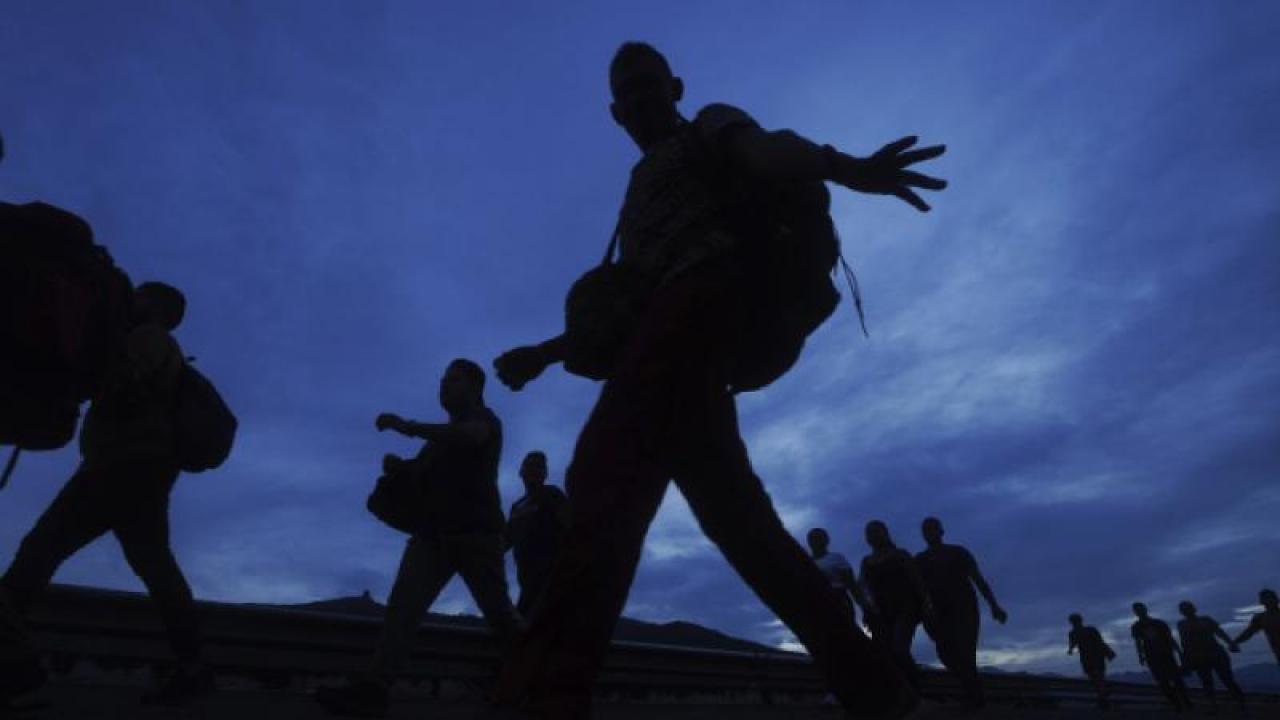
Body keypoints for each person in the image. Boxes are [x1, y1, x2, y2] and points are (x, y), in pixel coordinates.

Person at [488, 41, 947, 720]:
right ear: (614, 113)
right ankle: (880, 693)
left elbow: (766, 151)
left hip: (702, 309)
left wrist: (848, 168)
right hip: (672, 339)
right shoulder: (637, 192)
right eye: (627, 92)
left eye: (650, 84)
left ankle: (544, 693)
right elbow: (633, 303)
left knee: (601, 484)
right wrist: (549, 352)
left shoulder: (708, 125)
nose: (641, 99)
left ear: (676, 87)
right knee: (743, 526)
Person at [1, 282, 212, 705]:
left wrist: (80, 374)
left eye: (140, 295)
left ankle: (11, 663)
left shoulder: (146, 337)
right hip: (141, 470)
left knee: (39, 551)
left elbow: (125, 386)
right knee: (155, 567)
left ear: (157, 307)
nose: (131, 300)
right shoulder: (157, 345)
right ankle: (193, 668)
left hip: (117, 468)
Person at [316, 359, 523, 718]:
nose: (444, 386)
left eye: (453, 380)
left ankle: (545, 675)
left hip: (476, 537)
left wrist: (406, 426)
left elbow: (470, 437)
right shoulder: (437, 443)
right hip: (433, 536)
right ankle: (375, 689)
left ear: (475, 388)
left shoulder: (485, 420)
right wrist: (401, 468)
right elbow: (426, 474)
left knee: (500, 615)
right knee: (402, 610)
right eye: (442, 381)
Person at [914, 517, 1006, 708]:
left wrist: (994, 605)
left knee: (965, 653)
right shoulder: (920, 560)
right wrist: (923, 614)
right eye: (926, 530)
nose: (930, 532)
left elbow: (978, 579)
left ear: (941, 531)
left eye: (933, 528)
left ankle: (974, 698)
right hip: (938, 613)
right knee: (945, 653)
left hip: (965, 609)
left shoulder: (958, 552)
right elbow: (917, 590)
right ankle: (974, 691)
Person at [861, 521, 932, 691]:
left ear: (885, 533)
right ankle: (895, 689)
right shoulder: (867, 562)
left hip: (905, 609)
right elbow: (864, 587)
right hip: (880, 612)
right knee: (883, 651)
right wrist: (867, 610)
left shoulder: (901, 555)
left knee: (899, 649)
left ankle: (915, 689)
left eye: (877, 531)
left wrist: (926, 605)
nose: (873, 536)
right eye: (870, 533)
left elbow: (917, 581)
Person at [505, 451, 569, 616]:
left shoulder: (553, 495)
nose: (533, 471)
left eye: (539, 467)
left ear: (544, 474)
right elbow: (506, 539)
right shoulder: (517, 506)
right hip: (526, 579)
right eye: (529, 466)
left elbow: (571, 527)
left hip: (550, 579)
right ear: (521, 472)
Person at [1177, 600, 1246, 712]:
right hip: (1199, 657)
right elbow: (1184, 642)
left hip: (1216, 654)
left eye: (1188, 608)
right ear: (1182, 612)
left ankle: (1240, 702)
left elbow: (1219, 632)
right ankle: (1214, 705)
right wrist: (1185, 659)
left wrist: (1230, 643)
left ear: (1193, 609)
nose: (1187, 611)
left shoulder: (1205, 620)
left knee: (1226, 679)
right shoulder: (1182, 624)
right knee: (1207, 681)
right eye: (1184, 609)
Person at [1130, 602, 1192, 711]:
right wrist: (1140, 656)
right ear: (1135, 612)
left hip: (1166, 654)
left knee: (1176, 679)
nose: (1140, 611)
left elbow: (1169, 638)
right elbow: (1138, 642)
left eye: (1141, 609)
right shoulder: (1137, 627)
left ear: (1145, 609)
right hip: (1153, 656)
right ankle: (1177, 704)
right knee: (1163, 682)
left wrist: (1179, 651)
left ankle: (1186, 702)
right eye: (1138, 610)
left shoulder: (1158, 623)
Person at [805, 527, 865, 623]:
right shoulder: (806, 563)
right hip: (817, 604)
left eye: (819, 538)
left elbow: (851, 584)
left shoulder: (836, 558)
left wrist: (864, 607)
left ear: (826, 540)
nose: (816, 541)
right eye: (813, 539)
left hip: (839, 600)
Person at [1067, 613, 1115, 709]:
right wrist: (1070, 649)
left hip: (1096, 656)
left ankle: (1103, 699)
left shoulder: (1089, 630)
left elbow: (1100, 642)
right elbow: (1073, 643)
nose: (1074, 623)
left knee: (1097, 677)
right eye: (1073, 621)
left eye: (1075, 621)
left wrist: (1107, 652)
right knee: (1094, 678)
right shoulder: (1074, 633)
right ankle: (1103, 697)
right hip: (1088, 658)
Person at [1233, 588, 1280, 666]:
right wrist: (1235, 642)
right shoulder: (1261, 618)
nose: (1270, 601)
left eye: (1271, 598)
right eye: (1267, 598)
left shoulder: (1261, 618)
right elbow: (1248, 632)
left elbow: (1248, 632)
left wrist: (1234, 642)